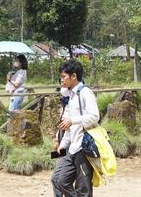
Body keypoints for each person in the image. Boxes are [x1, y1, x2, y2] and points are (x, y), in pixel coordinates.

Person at [51, 59, 99, 197]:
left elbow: (95, 116)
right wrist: (62, 143)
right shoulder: (70, 95)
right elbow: (67, 126)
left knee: (83, 188)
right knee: (58, 180)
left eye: (63, 77)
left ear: (74, 76)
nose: (61, 80)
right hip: (71, 148)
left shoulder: (85, 93)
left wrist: (73, 121)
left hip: (83, 148)